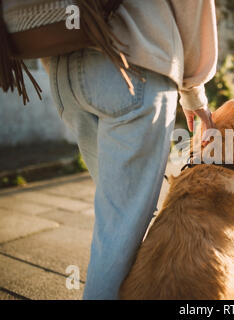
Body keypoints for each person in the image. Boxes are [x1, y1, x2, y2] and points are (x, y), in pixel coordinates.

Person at [3, 0, 217, 299]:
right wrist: (194, 91)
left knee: (116, 221)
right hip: (134, 63)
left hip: (65, 74)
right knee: (120, 230)